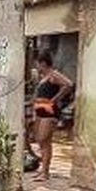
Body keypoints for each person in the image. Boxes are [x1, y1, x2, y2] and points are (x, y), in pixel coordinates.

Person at [30, 49, 73, 182]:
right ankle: (43, 170)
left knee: (44, 139)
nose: (37, 67)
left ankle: (45, 172)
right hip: (40, 108)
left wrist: (55, 99)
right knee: (40, 140)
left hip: (49, 109)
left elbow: (68, 84)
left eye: (38, 64)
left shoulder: (53, 75)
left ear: (43, 63)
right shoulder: (43, 77)